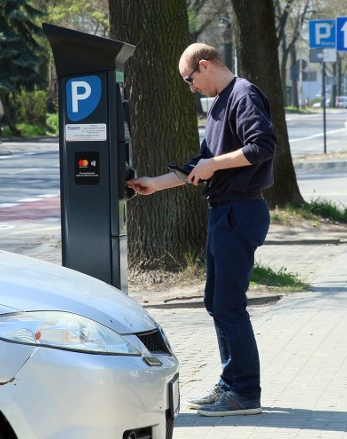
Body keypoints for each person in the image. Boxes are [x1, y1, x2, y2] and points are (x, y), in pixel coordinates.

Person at [126, 43, 277, 417]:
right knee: (216, 303)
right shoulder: (219, 104)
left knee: (229, 305)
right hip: (224, 212)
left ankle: (244, 393)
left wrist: (214, 165)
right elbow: (200, 165)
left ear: (204, 66)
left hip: (240, 212)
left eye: (190, 80)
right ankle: (230, 382)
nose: (191, 89)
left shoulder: (243, 95)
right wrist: (156, 184)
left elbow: (263, 145)